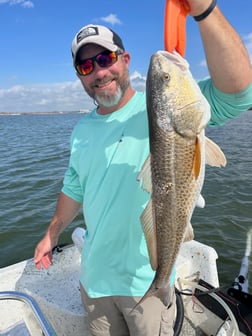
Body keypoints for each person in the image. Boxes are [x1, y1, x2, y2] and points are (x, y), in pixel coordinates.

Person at [34, 1, 252, 335]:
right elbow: (75, 188)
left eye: (105, 59)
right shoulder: (81, 131)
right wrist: (51, 233)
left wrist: (204, 11)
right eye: (85, 67)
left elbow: (239, 93)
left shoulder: (168, 108)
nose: (98, 72)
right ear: (80, 76)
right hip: (93, 284)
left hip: (146, 285)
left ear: (125, 60)